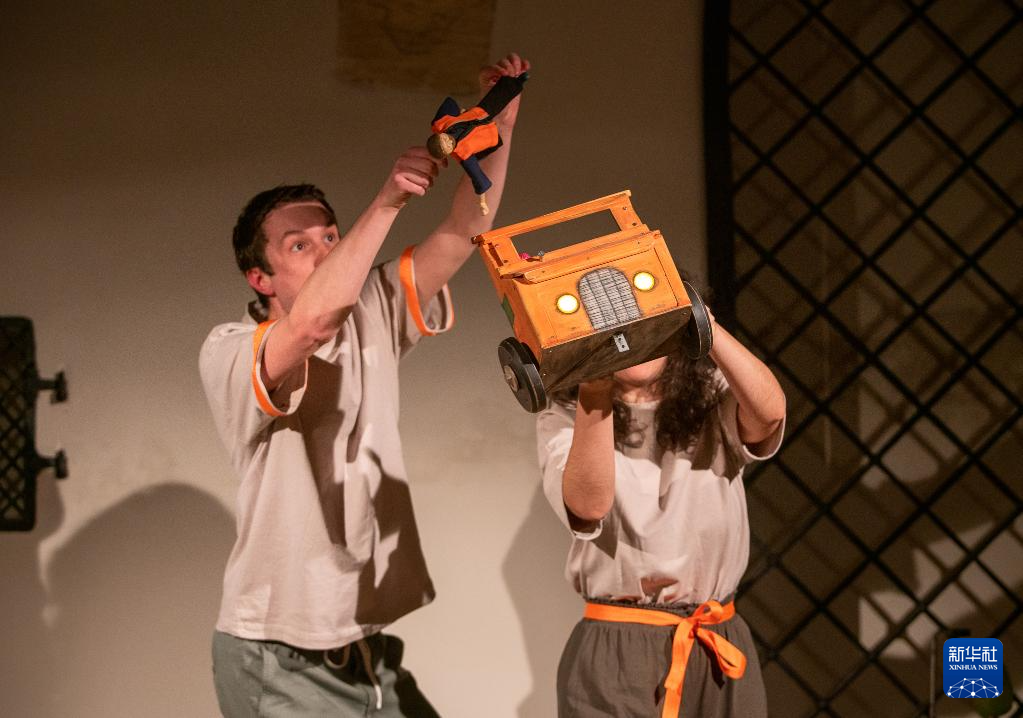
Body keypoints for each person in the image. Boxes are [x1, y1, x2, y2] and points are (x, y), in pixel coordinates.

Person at [200, 53, 530, 717]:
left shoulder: (372, 305)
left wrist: (499, 124)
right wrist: (386, 202)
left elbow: (464, 232)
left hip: (364, 644)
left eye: (330, 234)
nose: (326, 248)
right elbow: (311, 323)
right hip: (278, 653)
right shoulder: (230, 348)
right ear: (260, 279)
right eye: (300, 245)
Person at [537, 308, 786, 718]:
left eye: (640, 318)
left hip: (716, 636)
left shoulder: (710, 395)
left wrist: (703, 323)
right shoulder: (564, 416)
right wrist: (595, 382)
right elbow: (589, 504)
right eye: (613, 323)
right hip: (620, 646)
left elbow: (770, 414)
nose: (630, 336)